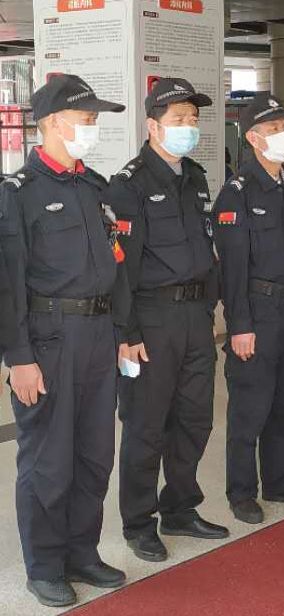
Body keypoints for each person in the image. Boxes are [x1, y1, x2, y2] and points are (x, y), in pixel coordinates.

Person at [0, 74, 127, 607]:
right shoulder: (18, 193)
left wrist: (121, 335)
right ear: (52, 122)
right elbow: (8, 283)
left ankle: (82, 552)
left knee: (94, 453)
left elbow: (115, 267)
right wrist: (19, 358)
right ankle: (45, 565)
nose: (92, 128)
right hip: (49, 341)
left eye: (95, 119)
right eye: (85, 119)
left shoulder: (93, 187)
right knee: (49, 460)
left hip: (98, 335)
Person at [103, 77, 228, 563]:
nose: (188, 127)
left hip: (195, 316)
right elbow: (121, 268)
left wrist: (209, 308)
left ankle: (180, 507)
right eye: (178, 120)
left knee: (195, 419)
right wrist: (127, 333)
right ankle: (139, 522)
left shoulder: (194, 177)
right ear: (153, 126)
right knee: (146, 425)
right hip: (151, 319)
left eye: (193, 119)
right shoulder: (128, 185)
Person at [213, 94, 284, 525]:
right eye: (274, 129)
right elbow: (233, 270)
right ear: (254, 138)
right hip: (257, 313)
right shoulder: (236, 194)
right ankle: (242, 492)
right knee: (250, 409)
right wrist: (239, 325)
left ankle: (281, 480)